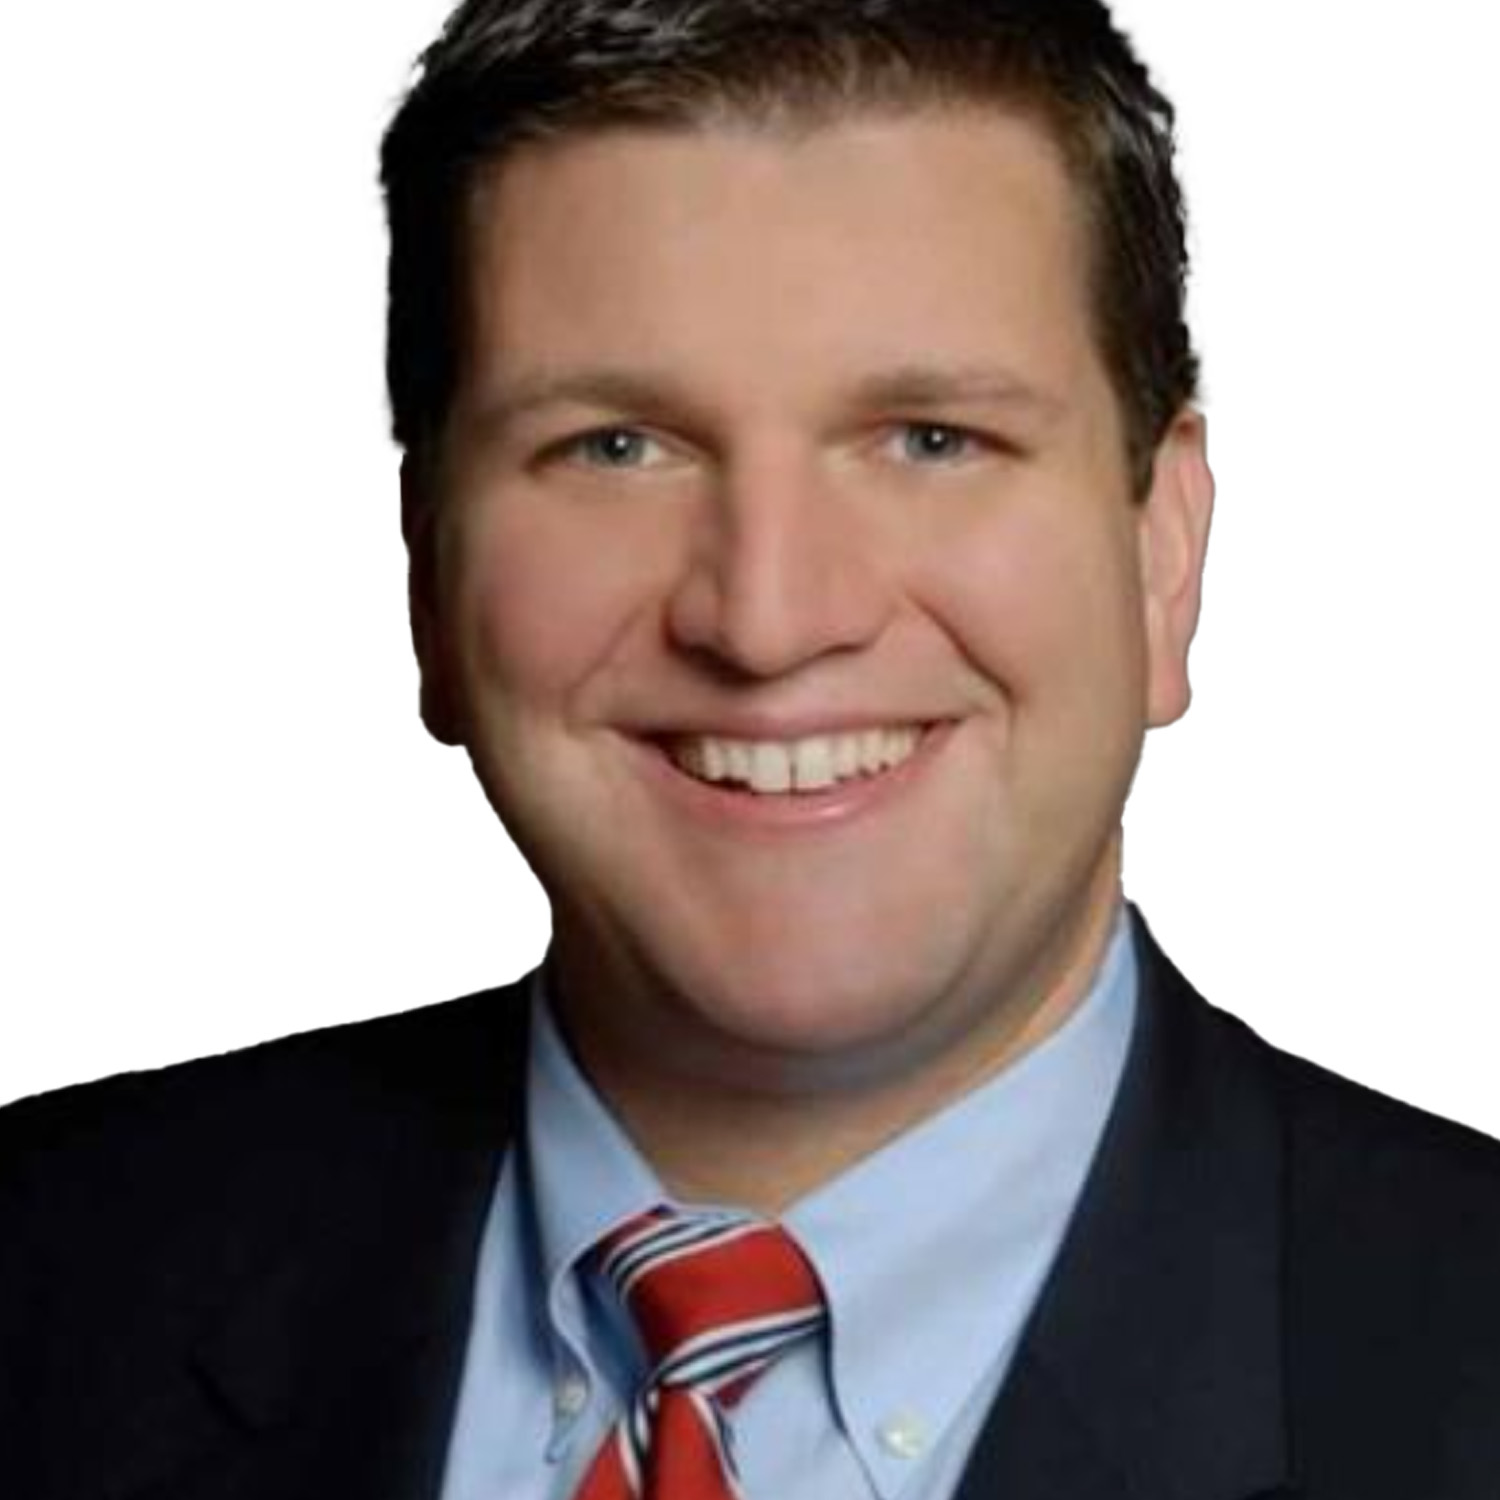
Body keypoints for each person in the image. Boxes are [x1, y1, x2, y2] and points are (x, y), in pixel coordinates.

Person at [3, 1, 1499, 1497]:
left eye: (929, 439)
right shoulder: (47, 1274)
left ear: (1164, 556)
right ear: (428, 571)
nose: (768, 619)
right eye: (616, 447)